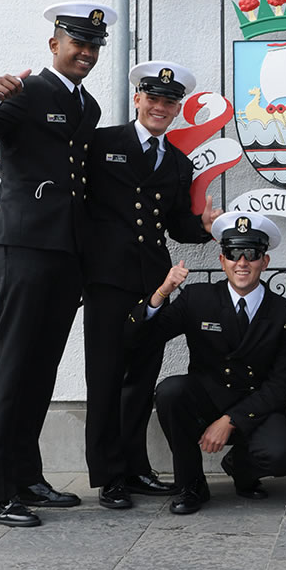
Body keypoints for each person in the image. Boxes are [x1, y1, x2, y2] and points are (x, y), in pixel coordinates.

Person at [0, 2, 116, 526]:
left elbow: (55, 168)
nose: (88, 53)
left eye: (95, 45)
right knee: (12, 364)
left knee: (43, 366)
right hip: (24, 243)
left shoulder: (88, 107)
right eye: (78, 43)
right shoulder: (25, 91)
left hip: (65, 250)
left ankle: (26, 476)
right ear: (55, 45)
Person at [82, 61, 222, 509]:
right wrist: (2, 158)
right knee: (106, 378)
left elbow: (177, 225)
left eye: (170, 101)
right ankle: (109, 477)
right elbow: (64, 176)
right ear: (138, 99)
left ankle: (136, 468)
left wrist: (203, 227)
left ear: (177, 108)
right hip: (106, 278)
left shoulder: (178, 163)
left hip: (151, 280)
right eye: (154, 98)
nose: (161, 107)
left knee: (141, 379)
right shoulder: (103, 142)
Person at [124, 212, 286, 514]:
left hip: (254, 406)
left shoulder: (283, 310)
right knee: (171, 392)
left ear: (265, 262)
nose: (242, 262)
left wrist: (231, 421)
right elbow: (140, 337)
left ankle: (241, 469)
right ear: (222, 261)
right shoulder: (197, 298)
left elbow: (282, 384)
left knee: (282, 456)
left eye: (252, 253)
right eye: (233, 253)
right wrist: (162, 291)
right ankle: (190, 485)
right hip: (206, 399)